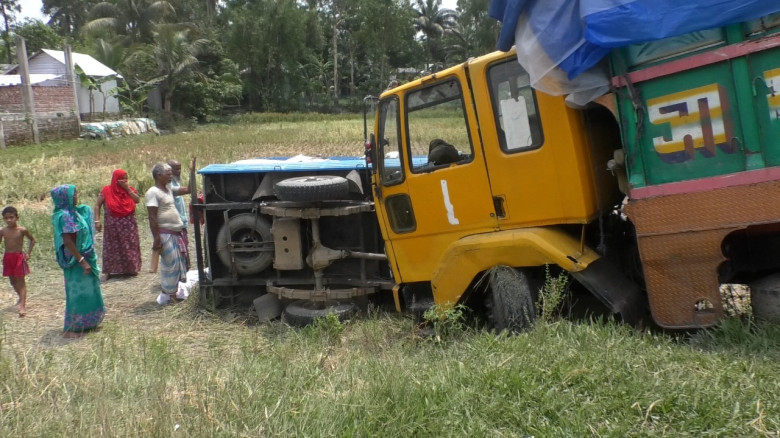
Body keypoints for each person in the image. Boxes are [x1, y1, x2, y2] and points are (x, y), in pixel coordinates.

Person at [51, 185, 105, 338]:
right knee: (77, 293)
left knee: (91, 290)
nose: (76, 197)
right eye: (73, 195)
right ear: (64, 198)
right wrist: (82, 261)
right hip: (76, 261)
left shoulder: (75, 212)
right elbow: (68, 241)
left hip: (85, 256)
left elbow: (86, 213)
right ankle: (71, 328)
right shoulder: (65, 216)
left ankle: (89, 323)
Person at [146, 162, 191, 303]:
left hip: (176, 233)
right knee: (170, 265)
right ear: (159, 175)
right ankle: (170, 295)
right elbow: (152, 217)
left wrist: (191, 171)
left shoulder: (169, 189)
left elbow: (189, 189)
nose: (171, 175)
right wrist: (157, 238)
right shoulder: (153, 192)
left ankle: (174, 292)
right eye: (168, 173)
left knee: (179, 263)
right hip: (165, 234)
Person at [95, 169, 142, 282]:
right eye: (122, 178)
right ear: (116, 179)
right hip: (112, 226)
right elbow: (97, 205)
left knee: (129, 245)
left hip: (128, 225)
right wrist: (97, 220)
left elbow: (137, 200)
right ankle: (108, 271)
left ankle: (131, 268)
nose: (125, 180)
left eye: (126, 178)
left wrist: (127, 189)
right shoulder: (106, 191)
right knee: (111, 247)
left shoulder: (129, 190)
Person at [1, 206, 35, 316]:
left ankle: (22, 306)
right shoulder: (3, 231)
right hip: (8, 257)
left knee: (21, 281)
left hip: (18, 257)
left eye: (11, 217)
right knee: (12, 281)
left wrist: (28, 253)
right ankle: (21, 297)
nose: (9, 220)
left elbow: (32, 240)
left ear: (17, 217)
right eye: (6, 218)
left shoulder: (22, 230)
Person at [167, 159, 191, 269]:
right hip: (175, 224)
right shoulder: (168, 186)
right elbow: (189, 189)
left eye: (180, 168)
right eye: (176, 169)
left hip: (181, 221)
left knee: (184, 248)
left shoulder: (175, 182)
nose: (179, 171)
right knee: (180, 250)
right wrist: (192, 172)